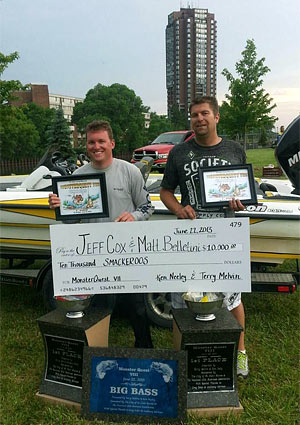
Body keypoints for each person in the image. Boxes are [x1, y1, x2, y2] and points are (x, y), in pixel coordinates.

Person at [160, 96, 249, 378]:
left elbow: (245, 191)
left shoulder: (235, 149)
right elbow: (165, 192)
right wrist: (178, 208)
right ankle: (180, 354)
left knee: (231, 298)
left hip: (225, 234)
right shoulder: (178, 153)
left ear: (216, 117)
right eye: (194, 114)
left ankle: (241, 352)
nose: (199, 118)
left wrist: (240, 202)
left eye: (205, 113)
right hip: (189, 235)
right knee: (181, 297)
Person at [49, 120, 154, 348]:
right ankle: (96, 351)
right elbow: (73, 218)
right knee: (99, 308)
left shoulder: (130, 171)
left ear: (112, 143)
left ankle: (144, 348)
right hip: (93, 256)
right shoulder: (78, 175)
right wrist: (61, 206)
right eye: (91, 142)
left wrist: (133, 217)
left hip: (127, 252)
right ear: (86, 145)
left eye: (101, 141)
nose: (96, 146)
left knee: (136, 307)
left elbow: (147, 207)